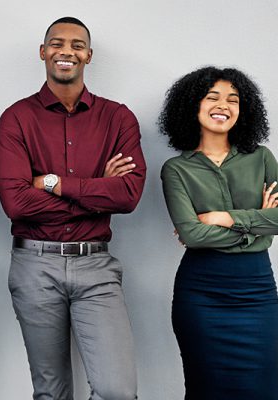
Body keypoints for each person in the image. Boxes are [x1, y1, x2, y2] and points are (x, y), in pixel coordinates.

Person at [0, 16, 145, 400]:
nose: (67, 51)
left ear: (89, 56)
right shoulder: (17, 117)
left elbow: (127, 195)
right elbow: (15, 202)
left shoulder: (118, 117)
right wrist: (96, 191)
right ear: (43, 53)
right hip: (35, 266)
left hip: (96, 266)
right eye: (57, 44)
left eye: (77, 45)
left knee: (116, 391)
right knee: (51, 392)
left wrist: (51, 182)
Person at [160, 66, 278, 399]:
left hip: (257, 293)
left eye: (233, 99)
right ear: (191, 107)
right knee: (205, 389)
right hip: (202, 296)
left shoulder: (261, 158)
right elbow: (193, 235)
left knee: (265, 390)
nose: (223, 105)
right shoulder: (177, 169)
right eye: (212, 97)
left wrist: (225, 217)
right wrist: (258, 226)